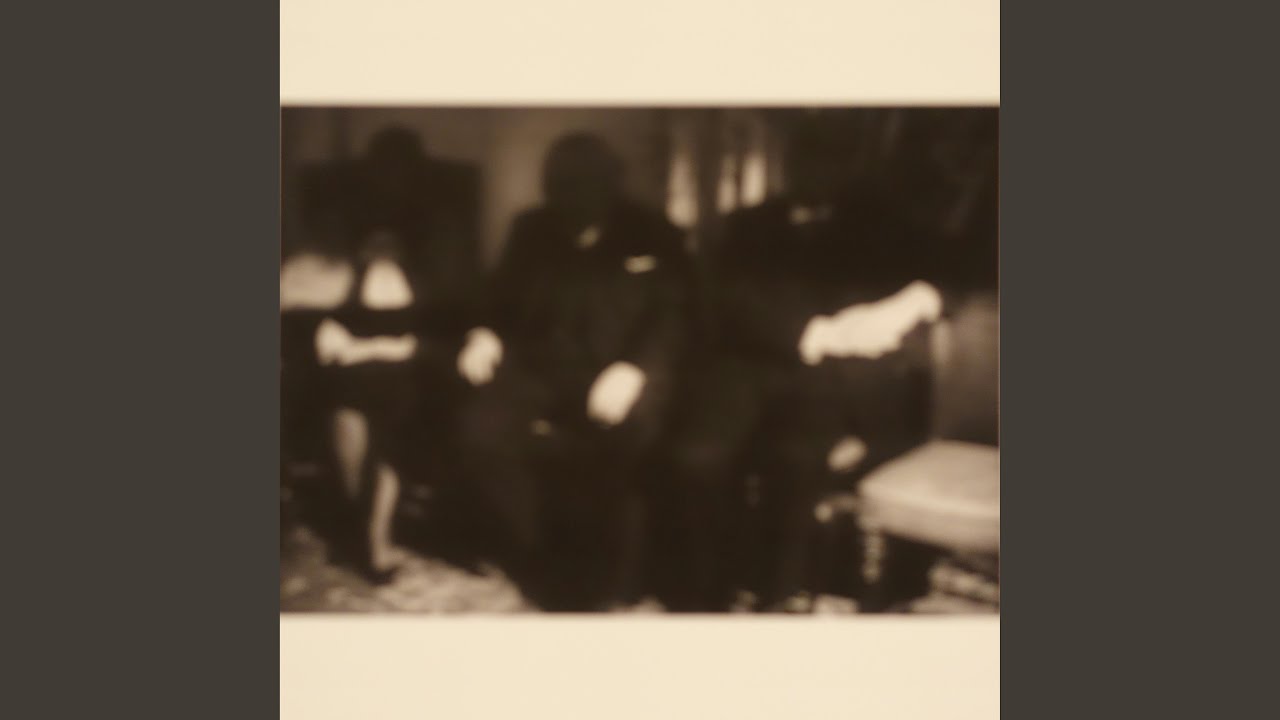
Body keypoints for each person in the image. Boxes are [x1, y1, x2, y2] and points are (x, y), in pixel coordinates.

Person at [663, 110, 997, 612]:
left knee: (796, 461)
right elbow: (724, 299)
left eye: (830, 159)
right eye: (806, 157)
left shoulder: (884, 224)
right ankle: (704, 596)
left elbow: (962, 269)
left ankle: (779, 598)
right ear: (788, 163)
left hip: (832, 382)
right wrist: (814, 333)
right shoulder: (746, 226)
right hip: (750, 366)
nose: (816, 170)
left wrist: (918, 298)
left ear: (849, 166)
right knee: (696, 459)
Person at [455, 133, 694, 611]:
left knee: (627, 438)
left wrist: (634, 369)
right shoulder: (531, 229)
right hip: (543, 368)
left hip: (626, 370)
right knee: (480, 432)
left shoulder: (654, 232)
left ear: (611, 184)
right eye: (561, 187)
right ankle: (540, 548)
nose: (573, 200)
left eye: (586, 186)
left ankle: (615, 572)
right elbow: (499, 298)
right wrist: (484, 333)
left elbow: (677, 315)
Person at [280, 127, 477, 583]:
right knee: (346, 398)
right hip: (353, 343)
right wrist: (326, 325)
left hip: (416, 345)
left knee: (394, 403)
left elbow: (455, 305)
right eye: (382, 172)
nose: (392, 182)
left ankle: (375, 533)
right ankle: (361, 518)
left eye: (402, 172)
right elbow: (303, 287)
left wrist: (410, 343)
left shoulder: (441, 226)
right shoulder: (342, 221)